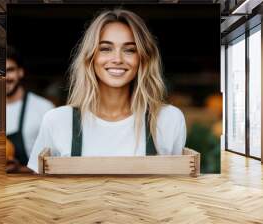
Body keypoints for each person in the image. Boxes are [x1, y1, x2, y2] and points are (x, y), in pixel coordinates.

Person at [27, 9, 186, 173]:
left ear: (143, 58)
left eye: (129, 50)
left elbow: (179, 188)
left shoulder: (169, 120)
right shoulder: (57, 121)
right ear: (91, 56)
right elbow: (37, 191)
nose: (117, 59)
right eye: (105, 48)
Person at [6, 46, 54, 172]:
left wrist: (19, 169)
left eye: (9, 70)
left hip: (31, 186)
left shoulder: (44, 108)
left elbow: (54, 160)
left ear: (20, 72)